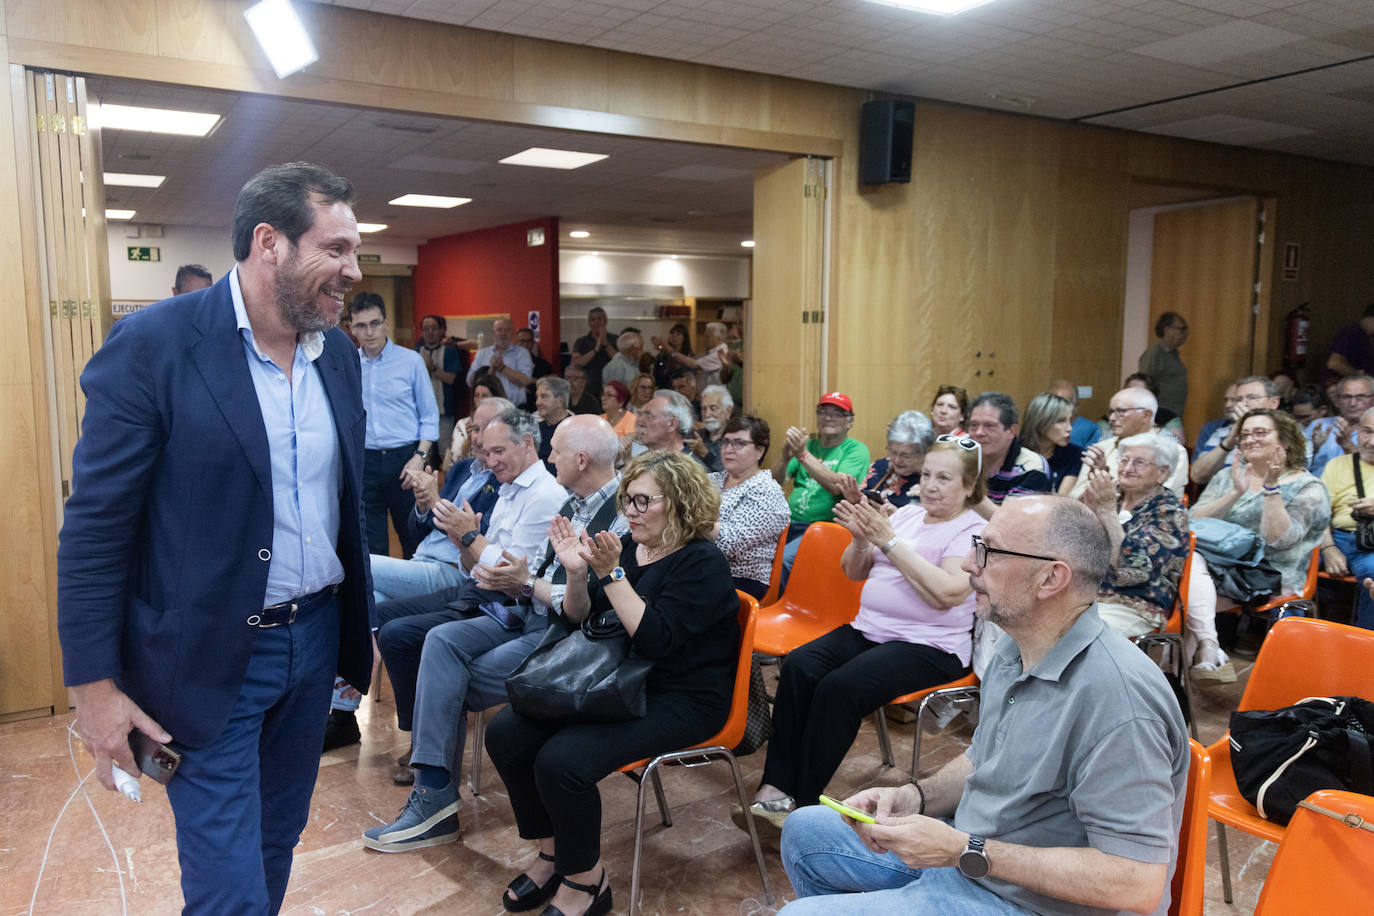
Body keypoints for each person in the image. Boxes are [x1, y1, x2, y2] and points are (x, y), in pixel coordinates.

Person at [57, 162, 375, 914]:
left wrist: (351, 644)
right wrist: (94, 690)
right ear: (269, 242)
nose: (354, 272)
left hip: (315, 645)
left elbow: (344, 510)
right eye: (335, 249)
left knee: (274, 844)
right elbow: (96, 532)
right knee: (227, 881)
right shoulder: (153, 347)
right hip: (207, 656)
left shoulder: (338, 362)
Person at [777, 497, 1189, 916]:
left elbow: (1136, 883)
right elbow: (985, 761)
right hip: (979, 861)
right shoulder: (1017, 647)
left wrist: (963, 849)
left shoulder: (1120, 700)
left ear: (1050, 578)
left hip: (1041, 904)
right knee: (805, 828)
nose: (971, 564)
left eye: (989, 551)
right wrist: (913, 796)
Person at [484, 451, 740, 916]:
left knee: (563, 761)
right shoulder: (631, 547)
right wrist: (578, 574)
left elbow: (657, 640)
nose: (631, 512)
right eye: (628, 500)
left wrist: (612, 573)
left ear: (680, 502)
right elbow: (583, 617)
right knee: (506, 733)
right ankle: (552, 853)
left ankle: (586, 883)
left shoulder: (702, 562)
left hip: (680, 696)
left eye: (643, 501)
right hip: (618, 681)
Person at [363, 416, 629, 851]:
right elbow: (528, 576)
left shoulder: (614, 515)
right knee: (439, 640)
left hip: (567, 634)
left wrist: (504, 566)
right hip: (525, 611)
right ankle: (434, 793)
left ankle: (434, 797)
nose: (548, 457)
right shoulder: (570, 504)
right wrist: (509, 573)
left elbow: (587, 602)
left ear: (581, 459)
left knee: (449, 674)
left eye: (556, 451)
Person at [734, 438, 985, 837]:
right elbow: (854, 571)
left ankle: (801, 802)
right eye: (926, 475)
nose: (931, 485)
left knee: (840, 689)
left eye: (944, 478)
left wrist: (887, 539)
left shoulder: (972, 530)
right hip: (869, 631)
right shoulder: (907, 516)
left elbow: (947, 593)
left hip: (930, 646)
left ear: (970, 486)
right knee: (799, 666)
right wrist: (862, 539)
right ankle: (775, 785)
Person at [325, 397, 507, 754]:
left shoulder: (503, 479)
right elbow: (417, 530)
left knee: (354, 568)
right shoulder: (462, 470)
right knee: (367, 604)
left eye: (485, 428)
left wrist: (441, 505)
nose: (477, 436)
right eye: (473, 427)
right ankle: (344, 717)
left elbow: (476, 539)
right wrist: (425, 505)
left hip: (454, 571)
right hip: (423, 561)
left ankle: (360, 719)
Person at [1193, 409, 1331, 611]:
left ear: (1284, 438)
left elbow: (1279, 541)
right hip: (1213, 564)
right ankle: (1205, 641)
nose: (1250, 440)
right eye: (1245, 434)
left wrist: (1272, 488)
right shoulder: (1228, 476)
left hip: (1266, 576)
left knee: (1182, 595)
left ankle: (1201, 641)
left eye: (1260, 433)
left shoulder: (1308, 487)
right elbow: (1193, 523)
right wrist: (1234, 494)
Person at [352, 291, 440, 560]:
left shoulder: (410, 361)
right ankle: (377, 601)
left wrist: (419, 456)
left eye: (375, 323)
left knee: (413, 535)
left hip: (406, 458)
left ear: (386, 323)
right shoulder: (349, 363)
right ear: (352, 328)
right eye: (361, 325)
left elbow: (429, 414)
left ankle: (415, 600)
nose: (369, 332)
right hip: (364, 460)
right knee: (371, 541)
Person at [1079, 433, 1189, 638]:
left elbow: (1133, 570)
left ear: (1162, 473)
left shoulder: (1169, 511)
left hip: (1132, 603)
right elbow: (1067, 536)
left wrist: (1106, 513)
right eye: (1124, 460)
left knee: (1081, 635)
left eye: (1139, 463)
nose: (1128, 468)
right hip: (1083, 593)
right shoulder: (1112, 493)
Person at [773, 392, 872, 579]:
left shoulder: (856, 449)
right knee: (761, 555)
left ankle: (782, 606)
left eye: (836, 413)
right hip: (789, 523)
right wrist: (785, 458)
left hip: (825, 528)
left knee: (785, 561)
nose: (828, 417)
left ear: (850, 421)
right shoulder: (809, 445)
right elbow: (776, 482)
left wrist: (802, 454)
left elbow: (838, 486)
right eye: (823, 412)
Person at [709, 415, 791, 598]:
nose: (729, 449)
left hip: (740, 581)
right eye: (726, 442)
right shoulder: (711, 480)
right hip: (702, 568)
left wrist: (688, 517)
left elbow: (727, 543)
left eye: (739, 443)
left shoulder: (767, 491)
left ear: (759, 451)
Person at [1069, 386, 1186, 500]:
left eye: (1120, 412)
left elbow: (1153, 499)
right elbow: (1076, 497)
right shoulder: (1101, 448)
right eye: (1111, 412)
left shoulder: (1174, 452)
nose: (1112, 418)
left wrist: (1104, 479)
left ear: (1146, 415)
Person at [1320, 405, 1374, 630]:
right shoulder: (1337, 465)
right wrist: (1328, 547)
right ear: (1357, 431)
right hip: (1341, 540)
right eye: (1367, 432)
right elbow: (1319, 514)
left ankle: (1364, 641)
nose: (1371, 442)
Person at [965, 392, 1050, 518]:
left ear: (1011, 431)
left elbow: (1011, 523)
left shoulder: (1031, 467)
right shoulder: (961, 455)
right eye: (974, 425)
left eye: (989, 426)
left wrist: (966, 488)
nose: (979, 432)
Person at [1189, 376, 1279, 487]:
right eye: (1239, 399)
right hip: (1221, 495)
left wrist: (1251, 431)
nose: (1243, 404)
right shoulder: (1222, 432)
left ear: (1274, 403)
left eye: (1252, 398)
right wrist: (1229, 441)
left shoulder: (1287, 431)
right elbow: (1197, 476)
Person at [853, 410, 936, 511]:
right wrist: (854, 500)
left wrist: (895, 517)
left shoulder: (933, 483)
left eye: (905, 456)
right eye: (893, 452)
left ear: (925, 452)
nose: (897, 460)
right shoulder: (879, 467)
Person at [417, 314, 467, 460]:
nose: (430, 332)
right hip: (420, 413)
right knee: (423, 454)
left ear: (440, 330)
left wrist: (433, 369)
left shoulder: (450, 351)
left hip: (444, 410)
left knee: (445, 451)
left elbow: (453, 379)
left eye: (433, 328)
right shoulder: (415, 353)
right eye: (426, 329)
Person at [1309, 374, 1374, 477]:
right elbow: (1295, 466)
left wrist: (1347, 444)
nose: (1353, 403)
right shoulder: (1318, 425)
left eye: (1360, 397)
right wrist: (1313, 449)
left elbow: (1370, 468)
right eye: (1347, 397)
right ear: (1337, 401)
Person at [1019, 392, 1082, 495]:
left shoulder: (1075, 454)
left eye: (1070, 420)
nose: (1069, 428)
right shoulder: (1015, 451)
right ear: (1041, 423)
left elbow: (1061, 499)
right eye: (1061, 421)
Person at [467, 316, 535, 403]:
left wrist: (502, 368)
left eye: (507, 330)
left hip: (514, 408)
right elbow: (470, 381)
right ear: (493, 333)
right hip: (486, 406)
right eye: (499, 330)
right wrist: (488, 372)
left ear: (513, 333)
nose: (503, 333)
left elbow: (525, 381)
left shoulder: (522, 353)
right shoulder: (482, 354)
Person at [445, 371, 503, 470]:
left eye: (484, 395)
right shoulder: (463, 424)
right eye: (476, 395)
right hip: (467, 474)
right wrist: (468, 441)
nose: (480, 399)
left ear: (495, 398)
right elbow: (454, 462)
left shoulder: (505, 424)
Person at [1138, 311, 1189, 419]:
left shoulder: (1172, 353)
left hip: (1172, 414)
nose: (1186, 333)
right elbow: (1143, 385)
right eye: (1182, 329)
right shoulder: (1155, 353)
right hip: (1159, 416)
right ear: (1167, 330)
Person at [668, 320, 729, 390]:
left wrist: (669, 350)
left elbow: (693, 363)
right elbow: (694, 359)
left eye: (707, 336)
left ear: (718, 338)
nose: (704, 339)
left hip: (715, 396)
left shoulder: (719, 353)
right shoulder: (712, 352)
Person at [1123, 372, 1185, 441]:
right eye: (1129, 391)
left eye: (1140, 393)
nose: (1133, 396)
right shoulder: (1117, 415)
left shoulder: (1167, 417)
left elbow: (1178, 444)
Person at [570, 305, 617, 395]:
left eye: (599, 319)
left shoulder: (615, 339)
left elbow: (618, 360)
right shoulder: (581, 341)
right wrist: (595, 350)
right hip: (588, 390)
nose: (596, 322)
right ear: (589, 322)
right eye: (593, 320)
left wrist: (606, 344)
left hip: (611, 389)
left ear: (605, 321)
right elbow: (576, 362)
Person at [1323, 302, 1374, 380]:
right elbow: (1334, 363)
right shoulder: (1353, 332)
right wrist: (1363, 378)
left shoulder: (1363, 336)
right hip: (1342, 388)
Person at [1048, 379, 1103, 449]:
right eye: (1054, 401)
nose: (1059, 406)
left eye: (1065, 402)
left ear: (1076, 405)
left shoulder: (1091, 429)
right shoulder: (1042, 426)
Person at [533, 375, 573, 467]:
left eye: (544, 396)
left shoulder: (573, 430)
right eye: (537, 397)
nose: (537, 402)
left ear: (560, 400)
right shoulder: (535, 429)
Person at [696, 383, 732, 471]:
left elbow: (731, 473)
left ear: (728, 411)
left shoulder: (735, 440)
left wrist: (706, 454)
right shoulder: (697, 436)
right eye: (704, 409)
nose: (707, 414)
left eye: (713, 408)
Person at [517, 325, 554, 410]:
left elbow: (547, 386)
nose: (525, 344)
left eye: (528, 341)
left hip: (536, 407)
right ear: (517, 342)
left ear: (533, 343)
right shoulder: (509, 364)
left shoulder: (543, 365)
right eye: (522, 341)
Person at [651, 322, 693, 389]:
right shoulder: (662, 356)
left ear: (684, 338)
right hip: (664, 389)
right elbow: (656, 376)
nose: (674, 336)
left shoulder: (689, 356)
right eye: (672, 333)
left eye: (678, 334)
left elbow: (690, 374)